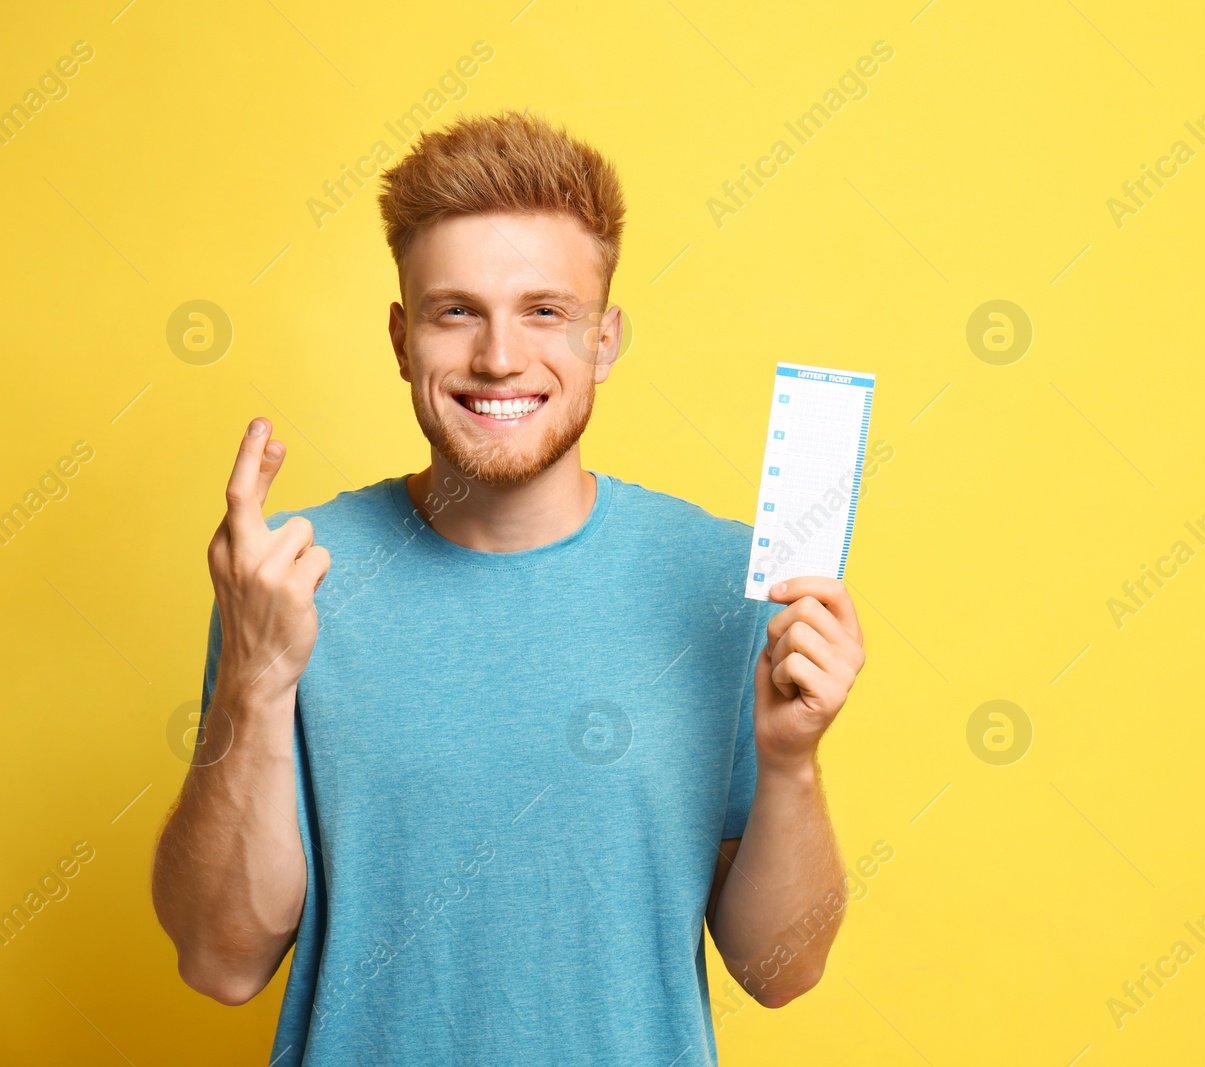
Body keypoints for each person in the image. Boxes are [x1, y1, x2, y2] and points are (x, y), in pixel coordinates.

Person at [150, 109, 866, 1066]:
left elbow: (780, 969)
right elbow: (221, 959)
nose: (498, 358)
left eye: (544, 311)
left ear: (604, 341)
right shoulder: (285, 576)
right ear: (403, 340)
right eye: (457, 311)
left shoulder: (725, 582)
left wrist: (790, 763)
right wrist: (255, 675)